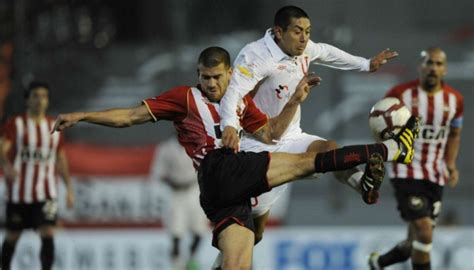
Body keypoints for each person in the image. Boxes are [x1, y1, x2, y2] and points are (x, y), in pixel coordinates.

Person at [52, 47, 416, 270]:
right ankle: (395, 149)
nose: (210, 84)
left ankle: (371, 168)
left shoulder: (242, 102)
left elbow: (270, 135)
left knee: (239, 263)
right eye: (204, 77)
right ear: (198, 76)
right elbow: (131, 117)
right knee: (311, 161)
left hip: (226, 193)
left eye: (215, 77)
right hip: (218, 168)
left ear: (230, 73)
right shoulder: (185, 98)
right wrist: (83, 115)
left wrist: (293, 102)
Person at [213, 6, 399, 265]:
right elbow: (233, 92)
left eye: (307, 32)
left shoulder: (302, 48)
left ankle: (363, 185)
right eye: (298, 31)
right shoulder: (256, 56)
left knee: (329, 149)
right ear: (279, 32)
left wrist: (366, 64)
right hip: (256, 146)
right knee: (252, 234)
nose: (304, 38)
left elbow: (326, 52)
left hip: (291, 137)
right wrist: (230, 125)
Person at [368, 47, 463, 270]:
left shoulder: (455, 100)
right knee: (424, 231)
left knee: (416, 243)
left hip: (435, 174)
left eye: (439, 64)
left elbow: (455, 134)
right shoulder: (400, 94)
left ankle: (378, 263)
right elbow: (380, 127)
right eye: (429, 62)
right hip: (406, 171)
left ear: (445, 69)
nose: (433, 68)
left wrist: (450, 163)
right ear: (421, 66)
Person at [0, 81, 75, 270]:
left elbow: (61, 158)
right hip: (19, 192)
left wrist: (69, 189)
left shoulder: (54, 126)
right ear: (27, 100)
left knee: (48, 232)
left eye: (44, 96)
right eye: (35, 96)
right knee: (12, 236)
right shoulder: (16, 124)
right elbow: (2, 149)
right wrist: (6, 166)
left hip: (46, 192)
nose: (40, 100)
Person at [150, 136, 208, 270]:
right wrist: (172, 181)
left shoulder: (198, 145)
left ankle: (191, 259)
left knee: (199, 231)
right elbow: (158, 173)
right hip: (175, 193)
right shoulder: (166, 148)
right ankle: (177, 265)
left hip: (194, 189)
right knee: (176, 232)